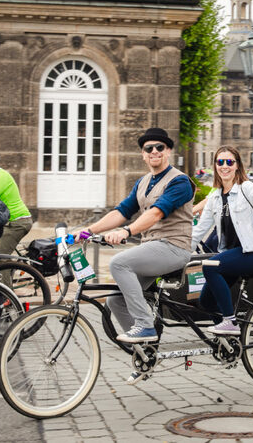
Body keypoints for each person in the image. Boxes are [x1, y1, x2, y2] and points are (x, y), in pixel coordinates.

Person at [78, 128, 193, 343]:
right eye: (149, 148)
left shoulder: (179, 181)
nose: (154, 151)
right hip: (152, 249)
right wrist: (87, 231)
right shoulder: (142, 182)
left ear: (168, 151)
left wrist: (126, 231)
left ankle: (144, 325)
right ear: (143, 154)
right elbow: (121, 212)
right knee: (115, 301)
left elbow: (156, 213)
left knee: (119, 263)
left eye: (160, 147)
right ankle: (145, 349)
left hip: (174, 247)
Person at [191, 145, 253, 334]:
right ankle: (229, 340)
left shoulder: (246, 188)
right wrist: (177, 252)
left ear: (237, 165)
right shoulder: (214, 197)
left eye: (229, 162)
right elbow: (199, 231)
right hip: (233, 254)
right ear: (215, 166)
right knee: (206, 301)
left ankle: (230, 322)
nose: (224, 166)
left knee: (209, 266)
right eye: (220, 162)